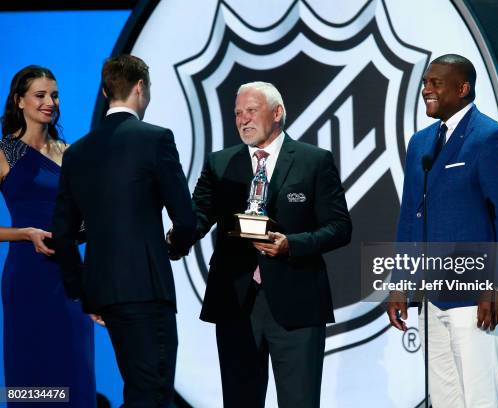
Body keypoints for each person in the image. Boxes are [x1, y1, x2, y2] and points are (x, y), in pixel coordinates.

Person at [181, 81, 351, 408]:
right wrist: (177, 237)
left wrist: (293, 244)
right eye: (237, 113)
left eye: (251, 111)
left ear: (277, 113)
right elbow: (198, 216)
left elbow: (340, 227)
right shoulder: (220, 163)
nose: (243, 119)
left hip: (297, 304)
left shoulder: (313, 161)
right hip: (236, 304)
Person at [52, 55, 196, 407]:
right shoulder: (156, 139)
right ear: (141, 88)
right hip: (146, 288)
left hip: (105, 293)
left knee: (138, 386)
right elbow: (187, 220)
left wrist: (83, 290)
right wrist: (174, 247)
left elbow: (63, 232)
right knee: (153, 392)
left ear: (104, 91)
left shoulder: (78, 153)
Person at [387, 54, 498, 407]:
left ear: (463, 88)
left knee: (479, 399)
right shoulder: (420, 142)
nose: (426, 90)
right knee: (444, 399)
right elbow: (409, 219)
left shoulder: (491, 138)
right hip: (432, 295)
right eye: (425, 83)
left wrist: (497, 285)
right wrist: (399, 283)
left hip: (475, 295)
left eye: (435, 83)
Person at [0, 66, 95, 406]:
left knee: (75, 370)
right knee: (32, 373)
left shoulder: (68, 153)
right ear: (19, 100)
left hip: (68, 276)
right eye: (40, 95)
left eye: (53, 95)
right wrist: (25, 234)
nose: (49, 102)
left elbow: (85, 219)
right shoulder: (5, 152)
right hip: (26, 278)